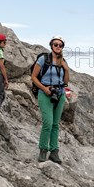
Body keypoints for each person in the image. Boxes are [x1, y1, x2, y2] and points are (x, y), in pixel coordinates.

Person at [31, 35, 70, 163]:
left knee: (55, 124)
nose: (58, 47)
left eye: (60, 45)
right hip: (45, 93)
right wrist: (44, 88)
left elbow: (65, 82)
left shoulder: (63, 62)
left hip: (60, 94)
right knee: (47, 123)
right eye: (55, 44)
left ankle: (54, 152)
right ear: (51, 45)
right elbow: (34, 77)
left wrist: (66, 69)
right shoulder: (43, 59)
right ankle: (43, 150)